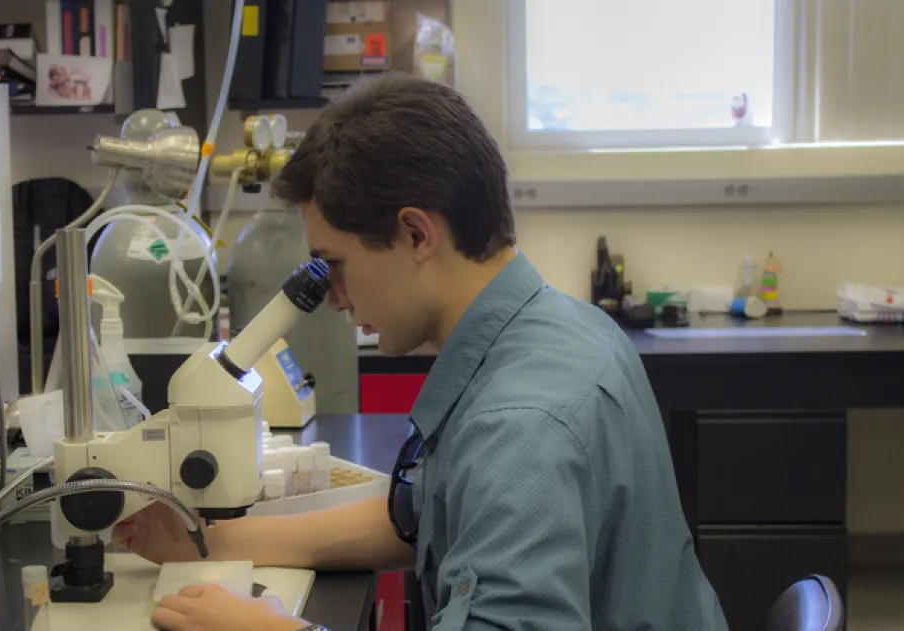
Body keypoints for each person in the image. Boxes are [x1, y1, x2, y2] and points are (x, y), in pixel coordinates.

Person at [115, 73, 730, 631]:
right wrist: (208, 544)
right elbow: (423, 516)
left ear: (415, 233)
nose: (332, 298)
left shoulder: (517, 427)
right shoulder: (563, 326)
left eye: (336, 264)